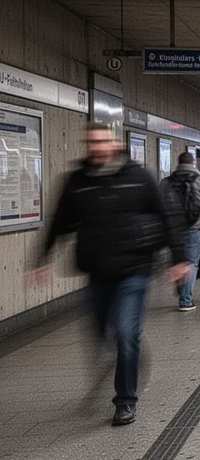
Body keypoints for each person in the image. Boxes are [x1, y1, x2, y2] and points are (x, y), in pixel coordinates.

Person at [30, 122, 189, 426]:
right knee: (103, 333)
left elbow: (167, 216)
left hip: (135, 268)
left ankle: (125, 400)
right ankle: (131, 354)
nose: (97, 147)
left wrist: (178, 259)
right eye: (92, 142)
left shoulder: (139, 177)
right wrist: (43, 258)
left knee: (126, 333)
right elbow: (60, 221)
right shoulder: (78, 181)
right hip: (97, 270)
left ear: (114, 143)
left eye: (102, 141)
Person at [161, 152, 200, 312]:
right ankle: (186, 300)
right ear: (193, 162)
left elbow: (159, 206)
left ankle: (182, 287)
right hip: (194, 228)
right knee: (192, 263)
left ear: (178, 163)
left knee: (178, 260)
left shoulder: (166, 182)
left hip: (172, 230)